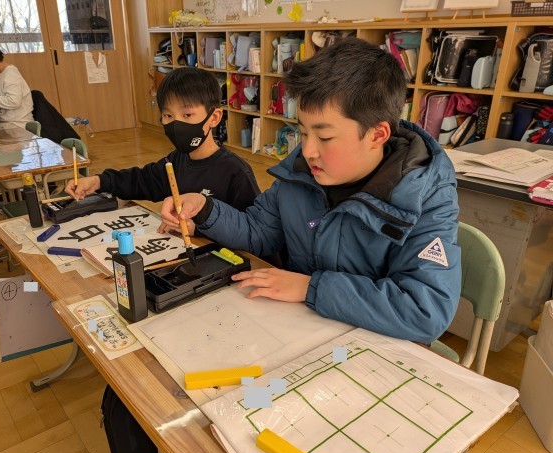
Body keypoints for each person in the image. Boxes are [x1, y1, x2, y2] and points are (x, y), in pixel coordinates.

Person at [160, 37, 462, 345]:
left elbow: (425, 310)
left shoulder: (424, 196)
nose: (308, 151)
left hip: (372, 349)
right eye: (303, 132)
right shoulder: (300, 173)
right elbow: (258, 230)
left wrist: (310, 288)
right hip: (300, 330)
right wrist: (206, 208)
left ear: (377, 134)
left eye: (324, 137)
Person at [65, 67, 260, 233]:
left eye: (187, 114)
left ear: (214, 118)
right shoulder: (176, 161)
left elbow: (252, 232)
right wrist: (99, 181)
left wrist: (201, 230)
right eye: (168, 115)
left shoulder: (236, 172)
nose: (176, 124)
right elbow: (141, 180)